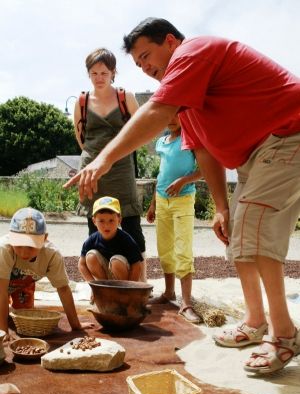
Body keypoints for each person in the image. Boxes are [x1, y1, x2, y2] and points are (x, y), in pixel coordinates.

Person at [65, 18, 300, 375]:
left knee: (253, 229)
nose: (146, 68)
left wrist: (103, 159)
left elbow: (156, 111)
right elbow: (205, 153)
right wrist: (221, 207)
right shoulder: (187, 103)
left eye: (147, 56)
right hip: (255, 155)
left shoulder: (194, 52)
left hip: (288, 133)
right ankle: (255, 321)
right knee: (238, 233)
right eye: (139, 65)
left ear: (171, 41)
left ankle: (284, 334)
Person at [73, 47, 146, 281]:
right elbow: (81, 138)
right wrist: (92, 161)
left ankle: (139, 281)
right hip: (92, 172)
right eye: (94, 73)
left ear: (113, 72)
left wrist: (115, 154)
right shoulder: (82, 101)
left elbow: (139, 131)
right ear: (88, 74)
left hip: (121, 167)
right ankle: (101, 283)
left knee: (132, 222)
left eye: (104, 73)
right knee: (95, 225)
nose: (99, 78)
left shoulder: (126, 97)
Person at [0, 208, 91, 338]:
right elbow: (1, 291)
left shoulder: (52, 255)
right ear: (10, 236)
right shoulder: (4, 249)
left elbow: (63, 289)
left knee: (23, 318)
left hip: (22, 284)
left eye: (31, 246)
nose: (24, 252)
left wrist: (76, 325)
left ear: (44, 238)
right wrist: (3, 333)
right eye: (19, 245)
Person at [146, 114, 201, 323]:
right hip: (161, 200)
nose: (170, 118)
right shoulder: (161, 142)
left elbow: (203, 170)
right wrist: (152, 204)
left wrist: (183, 181)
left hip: (184, 199)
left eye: (175, 114)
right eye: (166, 114)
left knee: (182, 250)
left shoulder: (191, 137)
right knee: (164, 249)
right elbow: (161, 175)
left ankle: (186, 303)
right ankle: (169, 293)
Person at [78, 196, 143, 284]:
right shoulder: (92, 240)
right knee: (90, 256)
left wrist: (130, 289)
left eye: (111, 220)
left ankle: (122, 291)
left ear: (119, 220)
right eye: (101, 221)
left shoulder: (126, 239)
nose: (106, 225)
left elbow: (137, 265)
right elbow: (81, 264)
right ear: (94, 221)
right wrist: (93, 285)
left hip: (125, 278)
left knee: (116, 262)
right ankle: (104, 288)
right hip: (106, 276)